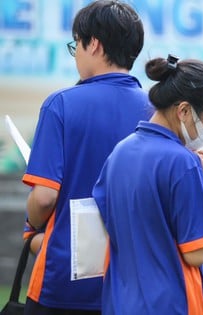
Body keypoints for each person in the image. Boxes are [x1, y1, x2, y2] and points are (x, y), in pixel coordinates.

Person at [21, 1, 148, 313]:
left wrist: (32, 229)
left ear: (94, 43)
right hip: (136, 282)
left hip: (64, 281)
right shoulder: (158, 112)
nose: (76, 52)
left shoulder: (61, 105)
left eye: (76, 43)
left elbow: (45, 199)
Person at [92, 55, 203, 315]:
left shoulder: (121, 151)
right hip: (172, 303)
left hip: (120, 302)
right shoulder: (182, 162)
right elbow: (197, 254)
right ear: (184, 111)